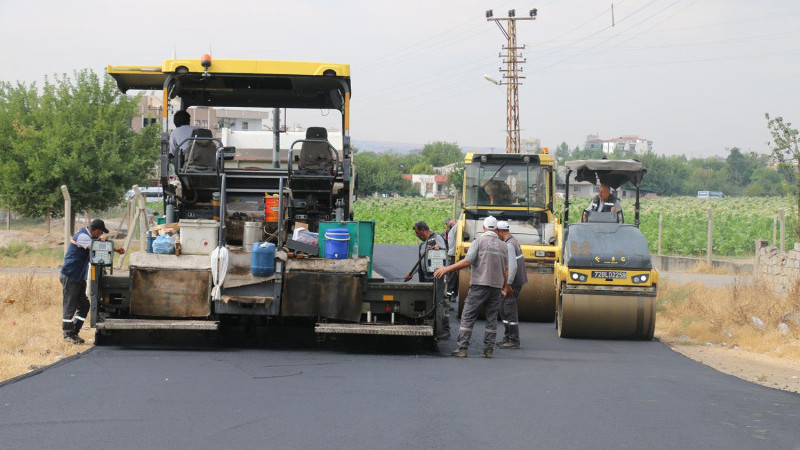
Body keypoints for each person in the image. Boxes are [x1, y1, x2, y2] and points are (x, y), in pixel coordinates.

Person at [434, 216, 507, 358]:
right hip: (496, 287)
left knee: (468, 315)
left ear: (484, 228)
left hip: (479, 284)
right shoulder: (503, 245)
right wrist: (504, 287)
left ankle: (462, 348)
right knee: (492, 318)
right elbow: (506, 269)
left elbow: (467, 261)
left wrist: (446, 269)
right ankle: (488, 350)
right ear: (497, 229)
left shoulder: (478, 241)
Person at [61, 219, 124, 344]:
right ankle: (67, 335)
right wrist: (115, 249)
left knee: (84, 306)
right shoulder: (83, 236)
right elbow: (96, 248)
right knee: (70, 305)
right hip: (71, 276)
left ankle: (74, 331)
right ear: (96, 230)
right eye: (100, 232)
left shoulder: (87, 235)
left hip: (79, 277)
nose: (101, 235)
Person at [405, 221, 449, 339]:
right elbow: (421, 263)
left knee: (439, 302)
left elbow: (444, 254)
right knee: (427, 302)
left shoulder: (437, 238)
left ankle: (444, 329)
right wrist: (411, 274)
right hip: (425, 278)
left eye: (418, 233)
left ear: (423, 230)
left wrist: (437, 248)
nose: (417, 235)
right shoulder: (422, 245)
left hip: (436, 278)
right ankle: (429, 324)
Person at [495, 220, 527, 349]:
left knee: (509, 309)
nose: (496, 233)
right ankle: (508, 336)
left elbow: (512, 267)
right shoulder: (512, 241)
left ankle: (514, 340)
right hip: (514, 281)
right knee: (503, 308)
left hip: (513, 282)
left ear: (500, 231)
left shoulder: (509, 245)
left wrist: (508, 285)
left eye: (497, 231)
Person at [445, 218, 458, 298]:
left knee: (453, 276)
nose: (456, 221)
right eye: (455, 221)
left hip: (452, 255)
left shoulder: (450, 232)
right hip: (453, 255)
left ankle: (451, 294)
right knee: (452, 275)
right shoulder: (453, 230)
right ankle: (449, 294)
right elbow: (459, 224)